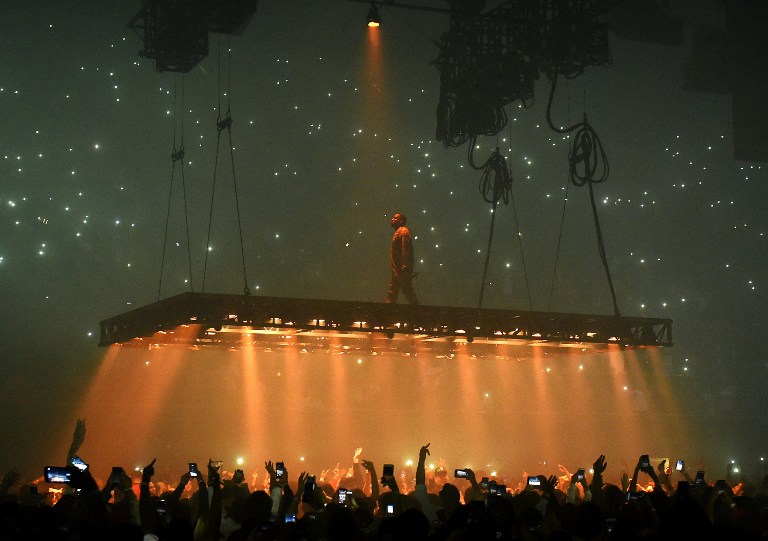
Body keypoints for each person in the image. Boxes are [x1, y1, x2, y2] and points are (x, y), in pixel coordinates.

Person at [385, 213, 419, 305]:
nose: (392, 219)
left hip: (401, 270)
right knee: (396, 290)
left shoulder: (403, 231)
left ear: (401, 221)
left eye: (395, 218)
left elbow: (406, 249)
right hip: (397, 269)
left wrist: (405, 266)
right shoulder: (398, 232)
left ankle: (419, 312)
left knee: (406, 290)